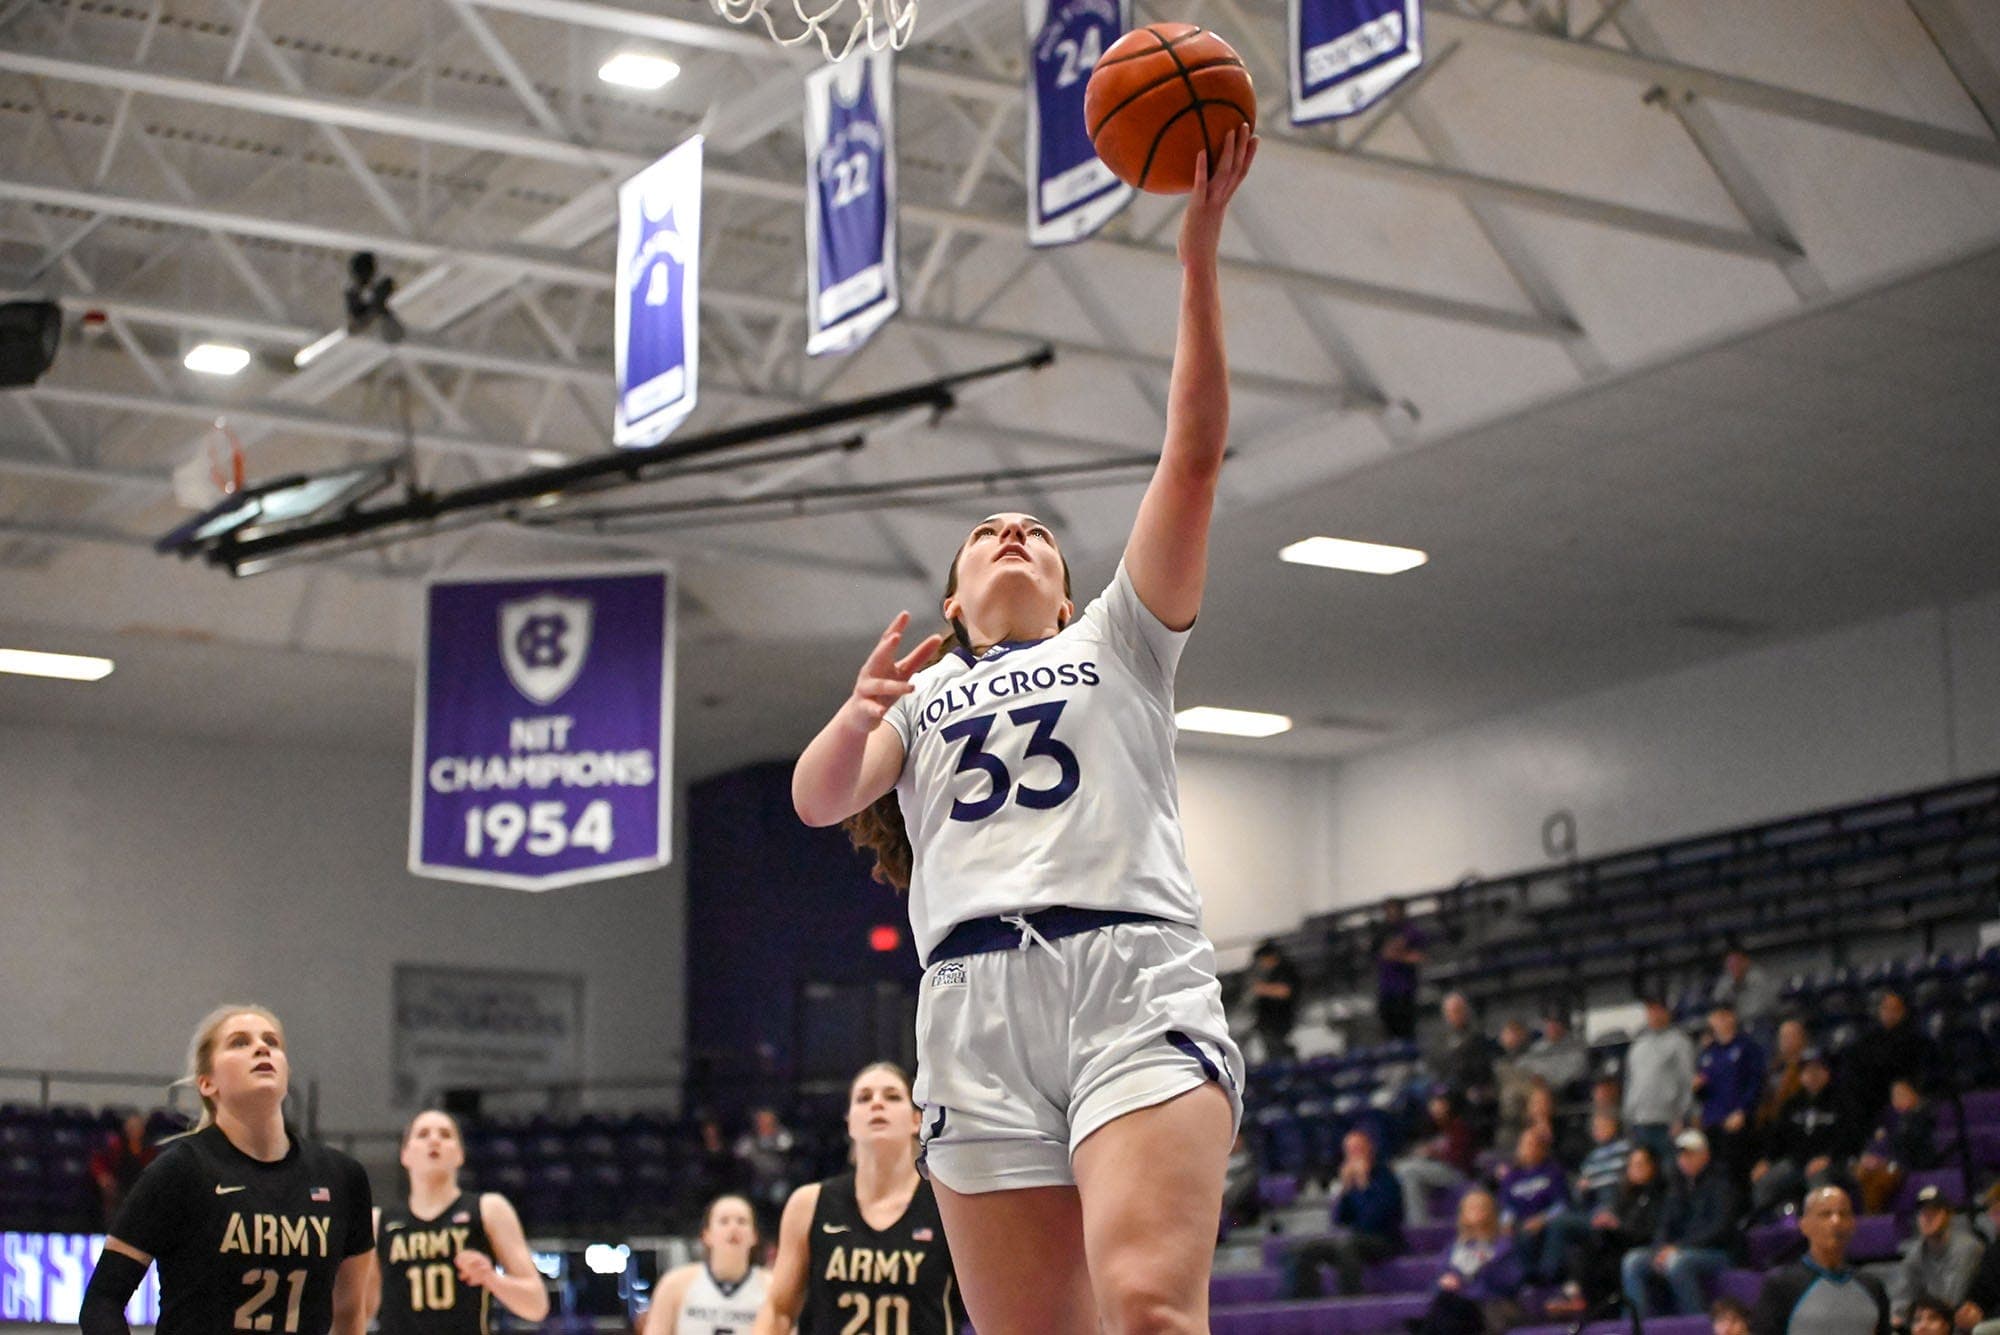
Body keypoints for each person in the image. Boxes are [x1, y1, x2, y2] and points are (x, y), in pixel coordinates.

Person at [792, 128, 1258, 1335]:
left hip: (1125, 974)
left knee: (1148, 1307)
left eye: (1036, 533)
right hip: (968, 1002)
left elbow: (1192, 457)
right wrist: (856, 712)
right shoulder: (915, 696)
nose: (1011, 534)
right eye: (986, 533)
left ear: (1064, 592)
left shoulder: (1119, 639)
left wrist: (1196, 253)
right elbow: (818, 798)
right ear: (952, 600)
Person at [77, 1005, 375, 1335]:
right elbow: (102, 1301)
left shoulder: (342, 1177)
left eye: (271, 1042)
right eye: (239, 1042)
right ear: (207, 1083)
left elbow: (350, 1315)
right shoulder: (181, 1171)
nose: (261, 1048)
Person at [756, 1063, 959, 1335]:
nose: (877, 1103)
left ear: (916, 1120)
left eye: (892, 1096)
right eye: (864, 1098)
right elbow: (778, 1311)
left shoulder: (947, 1206)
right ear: (850, 1121)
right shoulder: (809, 1204)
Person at [370, 1109, 547, 1334]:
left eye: (445, 1134)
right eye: (423, 1134)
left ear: (460, 1154)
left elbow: (536, 1306)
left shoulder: (489, 1209)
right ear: (405, 1154)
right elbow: (359, 1310)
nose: (434, 1140)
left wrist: (491, 1279)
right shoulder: (378, 1222)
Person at [1621, 1129, 1738, 1319]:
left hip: (1717, 1252)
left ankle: (1696, 1322)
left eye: (1691, 1154)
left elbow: (1719, 1229)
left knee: (1677, 1263)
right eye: (1682, 1155)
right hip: (1681, 1250)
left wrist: (1679, 1247)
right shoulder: (1677, 1188)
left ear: (1705, 1155)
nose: (1685, 1160)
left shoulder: (1721, 1185)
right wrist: (1659, 1248)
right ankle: (1635, 1324)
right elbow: (1664, 1224)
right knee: (1633, 1260)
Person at [1749, 1185, 1890, 1334]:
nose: (1836, 1221)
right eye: (1825, 1214)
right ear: (1804, 1225)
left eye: (1844, 1214)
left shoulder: (1872, 1287)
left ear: (1853, 1224)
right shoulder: (1781, 1286)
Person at [1280, 1130, 1404, 1299]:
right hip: (1355, 1239)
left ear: (1369, 1150)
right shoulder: (1350, 1182)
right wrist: (1345, 1190)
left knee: (1346, 1246)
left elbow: (1376, 1219)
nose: (1354, 1155)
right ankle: (1304, 1301)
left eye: (1358, 1149)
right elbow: (1338, 1220)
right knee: (1301, 1250)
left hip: (1384, 1240)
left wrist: (1363, 1184)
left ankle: (1350, 1301)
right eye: (1350, 1151)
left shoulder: (1385, 1177)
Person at [1547, 1142, 1665, 1317]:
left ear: (1653, 1166)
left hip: (1643, 1245)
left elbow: (1651, 1230)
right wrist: (1610, 1222)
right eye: (1632, 1165)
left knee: (1614, 1259)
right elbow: (1619, 1220)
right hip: (1620, 1241)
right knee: (1586, 1248)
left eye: (1640, 1164)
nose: (1636, 1169)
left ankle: (1626, 1318)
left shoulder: (1660, 1194)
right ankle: (1585, 1303)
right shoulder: (1626, 1195)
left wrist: (1619, 1226)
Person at [1749, 1047, 1862, 1220]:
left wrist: (1829, 1157)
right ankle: (1770, 1225)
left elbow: (1850, 1136)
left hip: (1832, 1162)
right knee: (1765, 1182)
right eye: (1807, 1071)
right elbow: (1778, 1137)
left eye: (1817, 1069)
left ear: (1827, 1072)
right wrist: (1766, 1160)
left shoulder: (1842, 1102)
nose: (1812, 1075)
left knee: (1818, 1180)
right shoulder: (1793, 1104)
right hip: (1796, 1162)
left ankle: (1820, 1226)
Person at [1539, 1111, 1630, 1313]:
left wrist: (1612, 1209)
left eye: (1602, 1125)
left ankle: (1550, 1278)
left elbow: (1632, 1183)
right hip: (1594, 1210)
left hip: (1618, 1207)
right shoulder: (1591, 1159)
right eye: (1595, 1127)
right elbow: (1580, 1199)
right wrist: (1581, 1190)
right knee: (1560, 1223)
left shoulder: (1626, 1149)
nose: (1597, 1130)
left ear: (1615, 1124)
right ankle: (1550, 1278)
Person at [645, 1194, 768, 1335]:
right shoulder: (674, 1285)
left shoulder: (771, 1288)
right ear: (706, 1235)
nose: (734, 1228)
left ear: (754, 1236)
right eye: (724, 1221)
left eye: (742, 1221)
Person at [1410, 1190, 1523, 1335]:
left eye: (1479, 1207)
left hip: (1489, 1305)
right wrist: (1444, 1282)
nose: (1474, 1212)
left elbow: (1511, 1283)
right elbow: (1436, 1283)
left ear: (1490, 1212)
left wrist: (1486, 1267)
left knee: (1449, 1309)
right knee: (1446, 1302)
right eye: (1469, 1208)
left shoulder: (1503, 1245)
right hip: (1455, 1305)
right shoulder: (1455, 1247)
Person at [1694, 1001, 1765, 1184]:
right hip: (1713, 1122)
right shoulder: (1708, 1053)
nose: (1719, 1021)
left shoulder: (1747, 1047)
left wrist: (1743, 1110)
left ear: (1732, 1017)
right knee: (1716, 1173)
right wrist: (1698, 1088)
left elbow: (1755, 1082)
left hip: (1737, 1122)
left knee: (1737, 1173)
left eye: (1723, 1016)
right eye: (1715, 1017)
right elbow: (1703, 1091)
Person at [1624, 991, 1697, 1164]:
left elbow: (1688, 1081)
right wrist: (1628, 1116)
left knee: (1670, 1169)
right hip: (1640, 1121)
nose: (1654, 1015)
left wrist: (1681, 1116)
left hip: (1668, 1122)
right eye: (1650, 1010)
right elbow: (1630, 1082)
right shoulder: (1638, 1045)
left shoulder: (1679, 1042)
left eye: (1658, 1010)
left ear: (1666, 1012)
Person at [1891, 1186, 1983, 1323]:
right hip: (1929, 1320)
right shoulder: (1914, 1252)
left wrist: (1921, 1319)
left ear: (1948, 1215)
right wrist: (1896, 1323)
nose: (1927, 1218)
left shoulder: (1967, 1248)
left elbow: (1951, 1300)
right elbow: (1902, 1298)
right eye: (1922, 1213)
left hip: (1961, 1321)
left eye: (1934, 1212)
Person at [1851, 1077, 1939, 1214]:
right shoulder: (1888, 1117)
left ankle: (1872, 1217)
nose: (1897, 1099)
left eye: (1902, 1094)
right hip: (1884, 1162)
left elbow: (1911, 1148)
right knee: (1859, 1172)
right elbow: (1877, 1141)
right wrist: (1870, 1156)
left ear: (1914, 1094)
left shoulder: (1923, 1116)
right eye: (1894, 1095)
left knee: (1881, 1177)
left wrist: (1885, 1160)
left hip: (1904, 1164)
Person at [1495, 1126, 1569, 1285]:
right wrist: (1505, 1223)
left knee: (1533, 1234)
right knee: (1510, 1237)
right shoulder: (1511, 1177)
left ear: (1542, 1149)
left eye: (1532, 1144)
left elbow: (1562, 1205)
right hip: (1520, 1224)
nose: (1527, 1149)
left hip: (1546, 1222)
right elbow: (1507, 1207)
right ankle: (1523, 1282)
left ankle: (1545, 1277)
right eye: (1524, 1144)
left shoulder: (1553, 1172)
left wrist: (1543, 1219)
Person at [1846, 989, 1934, 1122]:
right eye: (1886, 1008)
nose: (1890, 1013)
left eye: (1895, 1009)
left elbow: (1925, 1072)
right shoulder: (1867, 1043)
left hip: (1911, 1099)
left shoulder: (1918, 1042)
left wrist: (1906, 1086)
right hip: (1875, 1101)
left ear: (1904, 1012)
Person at [1394, 1090, 1475, 1226]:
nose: (1435, 1107)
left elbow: (1459, 1158)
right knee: (1410, 1178)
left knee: (1405, 1168)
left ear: (1448, 1105)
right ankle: (1418, 1225)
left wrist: (1434, 1153)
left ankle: (1417, 1223)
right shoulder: (1429, 1126)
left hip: (1457, 1172)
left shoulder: (1459, 1126)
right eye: (1433, 1104)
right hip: (1433, 1171)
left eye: (1440, 1104)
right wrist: (1422, 1153)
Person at [1430, 994, 1498, 1144]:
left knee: (1470, 1100)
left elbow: (1479, 1071)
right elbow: (1438, 1074)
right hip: (1450, 1091)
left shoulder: (1479, 1038)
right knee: (1433, 1102)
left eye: (1458, 1010)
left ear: (1466, 1011)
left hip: (1472, 1090)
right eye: (1450, 1011)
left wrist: (1451, 1092)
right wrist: (1439, 1095)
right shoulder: (1441, 1042)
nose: (1454, 1015)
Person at [88, 1113, 155, 1227]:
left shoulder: (150, 1149)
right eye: (130, 1127)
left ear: (143, 1129)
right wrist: (103, 1176)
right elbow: (98, 1162)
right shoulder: (115, 1145)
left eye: (136, 1127)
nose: (133, 1130)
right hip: (118, 1187)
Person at [1374, 900, 1426, 1043]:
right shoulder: (1381, 933)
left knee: (1406, 1031)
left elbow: (1420, 957)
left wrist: (1397, 956)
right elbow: (1378, 955)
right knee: (1389, 1031)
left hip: (1405, 989)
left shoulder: (1412, 932)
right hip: (1386, 990)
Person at [735, 1108, 797, 1225]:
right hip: (757, 1180)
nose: (764, 1123)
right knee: (754, 1200)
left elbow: (788, 1148)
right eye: (761, 1120)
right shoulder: (749, 1139)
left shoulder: (782, 1137)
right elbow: (739, 1153)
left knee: (779, 1198)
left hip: (778, 1180)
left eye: (767, 1120)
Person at [1247, 940, 1301, 1063]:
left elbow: (1285, 991)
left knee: (1278, 1049)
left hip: (1280, 1018)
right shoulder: (1268, 974)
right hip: (1267, 1021)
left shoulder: (1285, 970)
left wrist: (1263, 989)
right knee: (1271, 1049)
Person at [1959, 1183, 2000, 1334]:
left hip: (1992, 1319)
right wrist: (1972, 1306)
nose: (1993, 1217)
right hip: (1992, 1317)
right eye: (1993, 1211)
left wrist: (1985, 1316)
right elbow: (1983, 1286)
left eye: (1997, 1211)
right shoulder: (1995, 1249)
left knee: (1982, 1331)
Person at [1519, 1008, 1590, 1095]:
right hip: (1532, 1091)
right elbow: (1522, 1064)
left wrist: (1545, 1082)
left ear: (1565, 1025)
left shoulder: (1576, 1048)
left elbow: (1575, 1077)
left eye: (1556, 1022)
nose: (1551, 1026)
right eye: (1548, 1022)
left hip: (1561, 1094)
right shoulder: (1538, 1046)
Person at [1713, 946, 1779, 1038]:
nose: (1733, 967)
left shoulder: (1757, 978)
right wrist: (1733, 987)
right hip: (1736, 1025)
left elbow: (1760, 1009)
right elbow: (1717, 1001)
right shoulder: (1726, 981)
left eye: (1737, 962)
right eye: (1730, 964)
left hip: (1759, 1022)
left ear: (1746, 962)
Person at [1756, 1019, 1810, 1131]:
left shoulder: (1808, 1066)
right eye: (1783, 1037)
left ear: (1802, 1038)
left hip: (1796, 1122)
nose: (1786, 1041)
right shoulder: (1774, 1067)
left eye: (1791, 1036)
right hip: (1771, 1125)